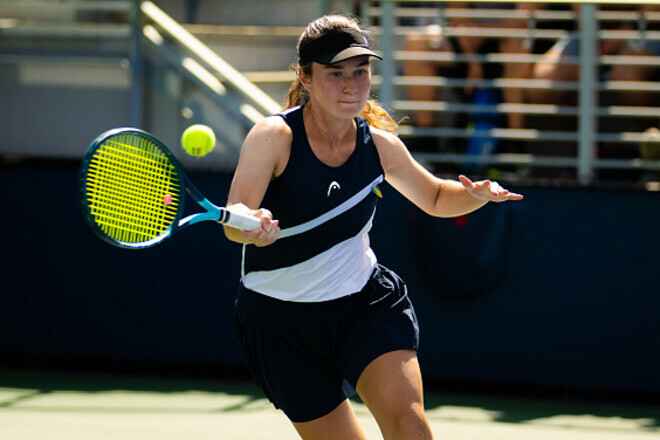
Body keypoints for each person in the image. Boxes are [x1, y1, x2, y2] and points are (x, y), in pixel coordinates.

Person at [223, 14, 523, 439]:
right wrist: (251, 224)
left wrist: (476, 195)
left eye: (360, 72)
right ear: (306, 78)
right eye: (335, 73)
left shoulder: (380, 146)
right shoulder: (274, 136)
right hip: (278, 323)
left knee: (409, 426)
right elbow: (235, 217)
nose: (351, 86)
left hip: (362, 305)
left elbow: (436, 197)